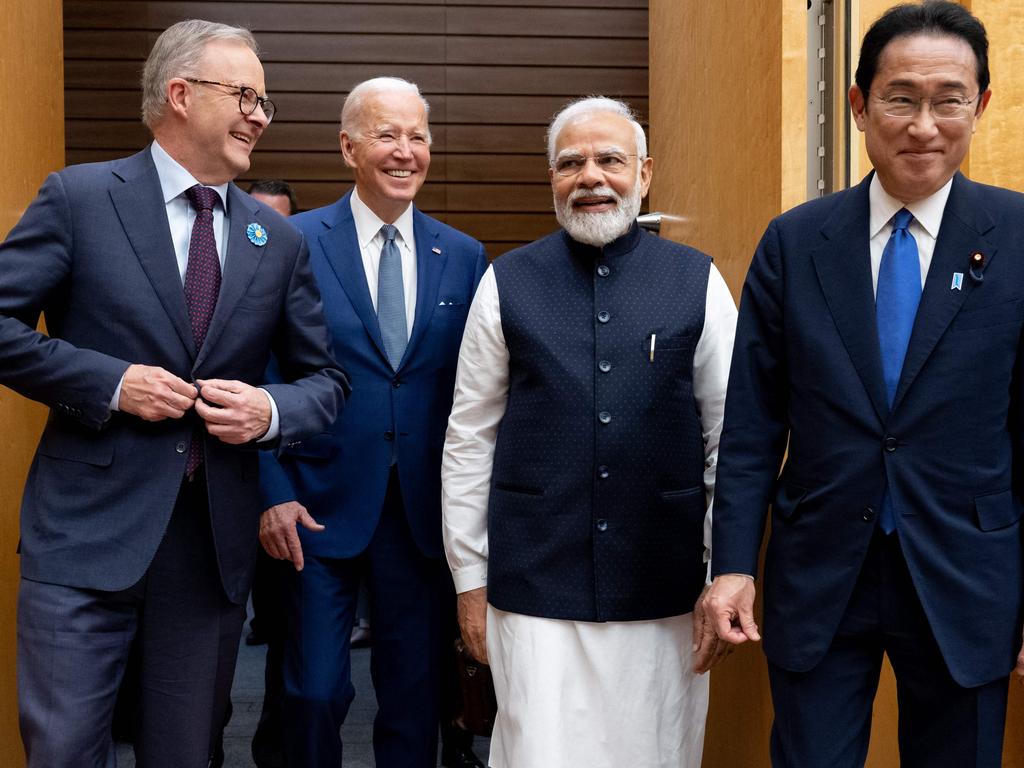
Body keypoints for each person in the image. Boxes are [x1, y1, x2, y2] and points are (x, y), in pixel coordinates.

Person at [0, 19, 348, 768]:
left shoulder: (277, 240)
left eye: (266, 100)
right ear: (181, 94)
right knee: (62, 751)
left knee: (186, 755)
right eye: (245, 94)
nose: (260, 113)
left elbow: (327, 381)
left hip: (209, 551)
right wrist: (111, 382)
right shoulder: (80, 197)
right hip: (83, 540)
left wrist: (270, 412)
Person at [701, 2, 1024, 765]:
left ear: (979, 104)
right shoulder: (795, 241)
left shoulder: (1016, 238)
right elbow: (752, 427)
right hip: (821, 572)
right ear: (857, 104)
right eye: (900, 97)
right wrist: (734, 567)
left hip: (967, 572)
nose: (923, 125)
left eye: (949, 99)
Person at [441, 96, 738, 768]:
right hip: (534, 588)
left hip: (663, 589)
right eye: (570, 163)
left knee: (655, 751)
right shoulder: (506, 282)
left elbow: (732, 438)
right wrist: (470, 578)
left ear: (645, 172)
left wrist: (725, 571)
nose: (591, 176)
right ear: (551, 178)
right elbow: (469, 440)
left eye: (610, 159)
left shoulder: (697, 281)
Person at [258, 76, 488, 767]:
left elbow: (474, 391)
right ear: (348, 147)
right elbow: (261, 374)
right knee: (314, 691)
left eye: (418, 135)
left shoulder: (465, 255)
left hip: (420, 514)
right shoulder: (291, 241)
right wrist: (273, 494)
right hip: (315, 507)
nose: (405, 151)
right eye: (387, 134)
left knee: (414, 699)